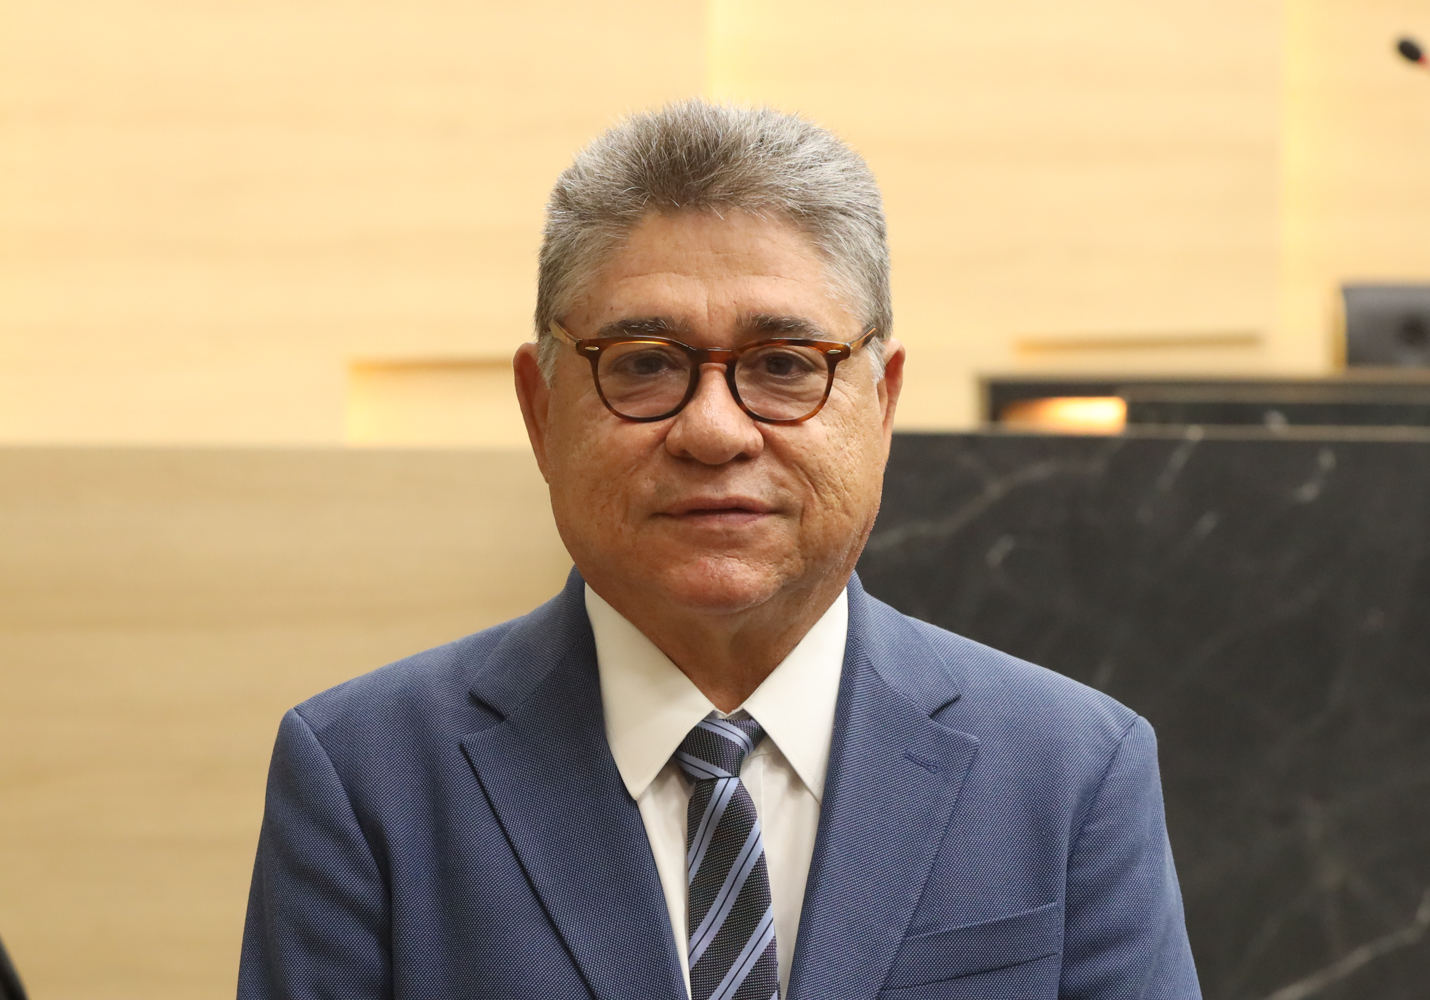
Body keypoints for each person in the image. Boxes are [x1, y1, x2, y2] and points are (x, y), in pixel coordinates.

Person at [238, 101, 1200, 1000]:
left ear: (882, 405)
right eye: (644, 365)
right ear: (540, 411)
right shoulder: (366, 777)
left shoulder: (1071, 771)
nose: (713, 430)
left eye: (783, 365)